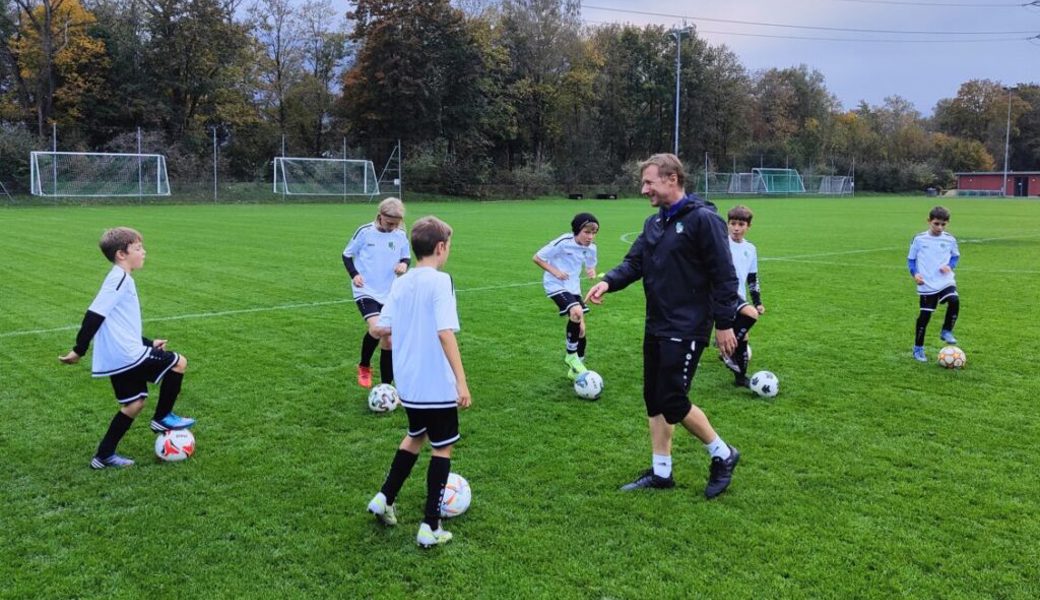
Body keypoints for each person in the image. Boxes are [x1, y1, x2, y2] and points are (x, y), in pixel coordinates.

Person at [585, 153, 742, 499]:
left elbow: (724, 276)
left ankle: (722, 453)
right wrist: (608, 281)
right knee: (654, 400)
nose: (644, 189)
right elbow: (634, 262)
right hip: (657, 323)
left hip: (687, 326)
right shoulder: (654, 224)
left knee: (672, 399)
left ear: (672, 179)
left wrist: (725, 324)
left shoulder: (704, 220)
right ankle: (661, 473)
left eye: (649, 182)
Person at [366, 216, 472, 548]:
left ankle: (384, 498)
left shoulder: (402, 282)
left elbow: (379, 328)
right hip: (435, 383)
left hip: (408, 383)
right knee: (442, 447)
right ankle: (430, 525)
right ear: (441, 247)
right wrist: (461, 382)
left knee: (416, 435)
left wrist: (405, 325)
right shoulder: (441, 282)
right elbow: (444, 333)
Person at [59, 227, 194, 469]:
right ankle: (163, 418)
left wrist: (149, 343)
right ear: (122, 254)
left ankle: (104, 456)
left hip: (119, 356)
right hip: (126, 356)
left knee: (134, 404)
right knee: (179, 362)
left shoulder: (119, 278)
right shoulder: (119, 278)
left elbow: (118, 326)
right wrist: (79, 350)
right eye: (138, 248)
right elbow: (93, 316)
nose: (144, 252)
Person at [342, 197, 410, 388]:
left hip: (389, 292)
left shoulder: (400, 234)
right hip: (366, 290)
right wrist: (354, 274)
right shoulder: (365, 232)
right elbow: (347, 255)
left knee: (388, 339)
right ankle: (364, 365)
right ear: (380, 216)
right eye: (390, 223)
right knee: (377, 329)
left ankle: (387, 387)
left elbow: (406, 256)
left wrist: (403, 264)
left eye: (396, 224)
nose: (392, 227)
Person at [532, 213, 599, 379]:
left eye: (594, 233)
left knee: (581, 330)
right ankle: (570, 356)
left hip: (573, 288)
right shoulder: (563, 242)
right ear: (577, 230)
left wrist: (591, 271)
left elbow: (591, 265)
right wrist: (555, 271)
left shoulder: (591, 248)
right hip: (555, 285)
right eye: (587, 232)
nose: (590, 237)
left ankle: (576, 367)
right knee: (576, 312)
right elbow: (537, 258)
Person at [720, 205, 765, 388]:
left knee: (743, 337)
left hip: (739, 296)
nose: (736, 228)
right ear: (728, 224)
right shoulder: (721, 243)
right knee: (749, 318)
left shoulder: (750, 249)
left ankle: (740, 378)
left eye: (741, 224)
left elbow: (752, 278)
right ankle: (726, 351)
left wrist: (758, 302)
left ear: (748, 226)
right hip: (723, 295)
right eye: (732, 223)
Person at [907, 205, 960, 362]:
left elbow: (955, 257)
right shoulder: (919, 239)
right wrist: (915, 274)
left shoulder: (949, 239)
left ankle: (946, 331)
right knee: (925, 316)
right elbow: (911, 260)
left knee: (954, 299)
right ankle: (918, 348)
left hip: (945, 280)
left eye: (943, 224)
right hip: (926, 283)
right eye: (936, 223)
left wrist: (949, 266)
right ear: (929, 221)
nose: (939, 227)